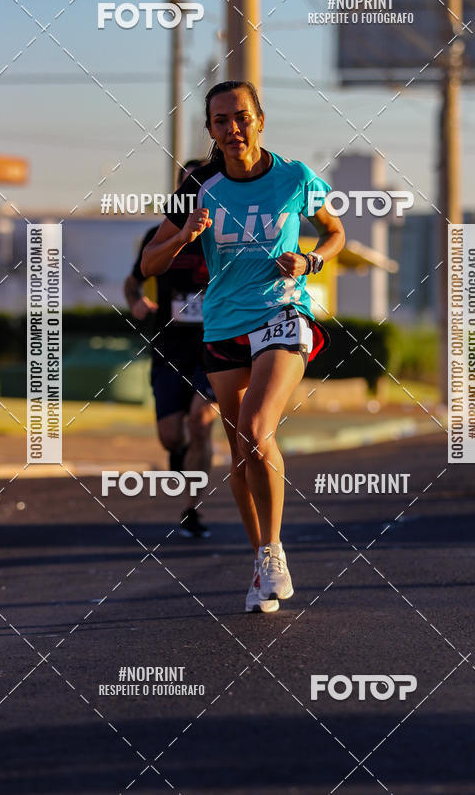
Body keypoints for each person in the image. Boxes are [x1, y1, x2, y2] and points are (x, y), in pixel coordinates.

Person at [141, 81, 345, 611]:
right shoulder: (199, 186)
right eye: (219, 121)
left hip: (282, 313)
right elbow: (149, 265)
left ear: (260, 119)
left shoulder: (295, 177)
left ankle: (274, 551)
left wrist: (311, 261)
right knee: (239, 452)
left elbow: (335, 231)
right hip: (223, 326)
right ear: (210, 130)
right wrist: (185, 235)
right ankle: (262, 562)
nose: (232, 128)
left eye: (241, 116)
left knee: (257, 429)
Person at [124, 159, 217, 539]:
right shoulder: (157, 235)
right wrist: (136, 303)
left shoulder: (228, 232)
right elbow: (134, 282)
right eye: (189, 187)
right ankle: (180, 460)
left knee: (201, 421)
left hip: (216, 343)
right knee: (170, 437)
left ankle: (191, 510)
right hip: (170, 345)